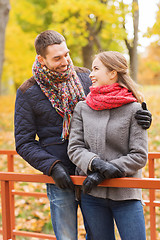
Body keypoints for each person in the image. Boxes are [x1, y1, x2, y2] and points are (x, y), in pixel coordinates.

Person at [14, 30, 151, 240]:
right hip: (61, 176)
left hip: (95, 176)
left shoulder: (86, 77)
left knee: (95, 235)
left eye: (66, 54)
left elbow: (115, 100)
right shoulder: (28, 91)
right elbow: (24, 142)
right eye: (57, 58)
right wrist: (52, 167)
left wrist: (142, 116)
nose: (65, 61)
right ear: (41, 59)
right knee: (67, 235)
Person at [68, 51, 148, 240]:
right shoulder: (82, 108)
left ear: (113, 73)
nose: (91, 74)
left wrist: (105, 172)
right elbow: (74, 148)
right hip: (92, 195)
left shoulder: (135, 108)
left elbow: (139, 155)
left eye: (96, 69)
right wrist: (95, 164)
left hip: (126, 194)